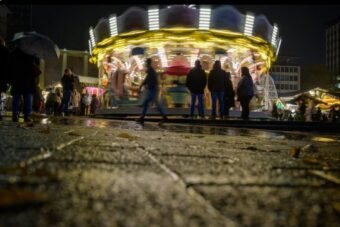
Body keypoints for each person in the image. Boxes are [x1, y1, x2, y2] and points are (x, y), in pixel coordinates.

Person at [8, 47, 41, 122]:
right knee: (28, 96)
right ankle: (27, 115)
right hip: (28, 78)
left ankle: (15, 114)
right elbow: (37, 63)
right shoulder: (31, 51)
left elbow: (9, 65)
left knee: (16, 96)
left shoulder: (14, 52)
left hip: (17, 77)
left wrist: (10, 79)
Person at [136, 58, 167, 125]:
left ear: (147, 63)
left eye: (145, 63)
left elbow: (146, 80)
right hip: (154, 89)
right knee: (154, 104)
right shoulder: (151, 70)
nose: (145, 65)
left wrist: (141, 86)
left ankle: (142, 117)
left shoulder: (150, 70)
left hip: (153, 89)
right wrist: (141, 86)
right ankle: (142, 117)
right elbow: (147, 79)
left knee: (149, 102)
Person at [0, 37, 9, 120]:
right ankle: (1, 112)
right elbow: (8, 64)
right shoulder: (6, 51)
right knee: (2, 95)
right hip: (3, 76)